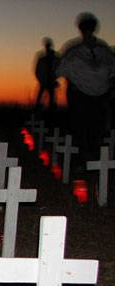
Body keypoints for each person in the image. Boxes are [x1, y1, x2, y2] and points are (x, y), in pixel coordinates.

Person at [57, 12, 115, 175]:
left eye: (90, 29)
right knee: (80, 130)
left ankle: (94, 164)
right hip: (80, 96)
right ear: (81, 31)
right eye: (85, 29)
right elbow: (60, 71)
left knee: (97, 130)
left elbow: (112, 73)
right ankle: (80, 163)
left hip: (101, 97)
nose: (88, 33)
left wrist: (111, 90)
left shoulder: (104, 52)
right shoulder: (73, 52)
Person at [34, 38, 61, 111]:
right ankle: (38, 108)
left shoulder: (56, 58)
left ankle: (50, 109)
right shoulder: (42, 58)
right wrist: (41, 80)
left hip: (51, 81)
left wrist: (55, 78)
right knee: (40, 96)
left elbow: (60, 68)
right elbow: (37, 71)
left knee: (51, 97)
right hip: (44, 81)